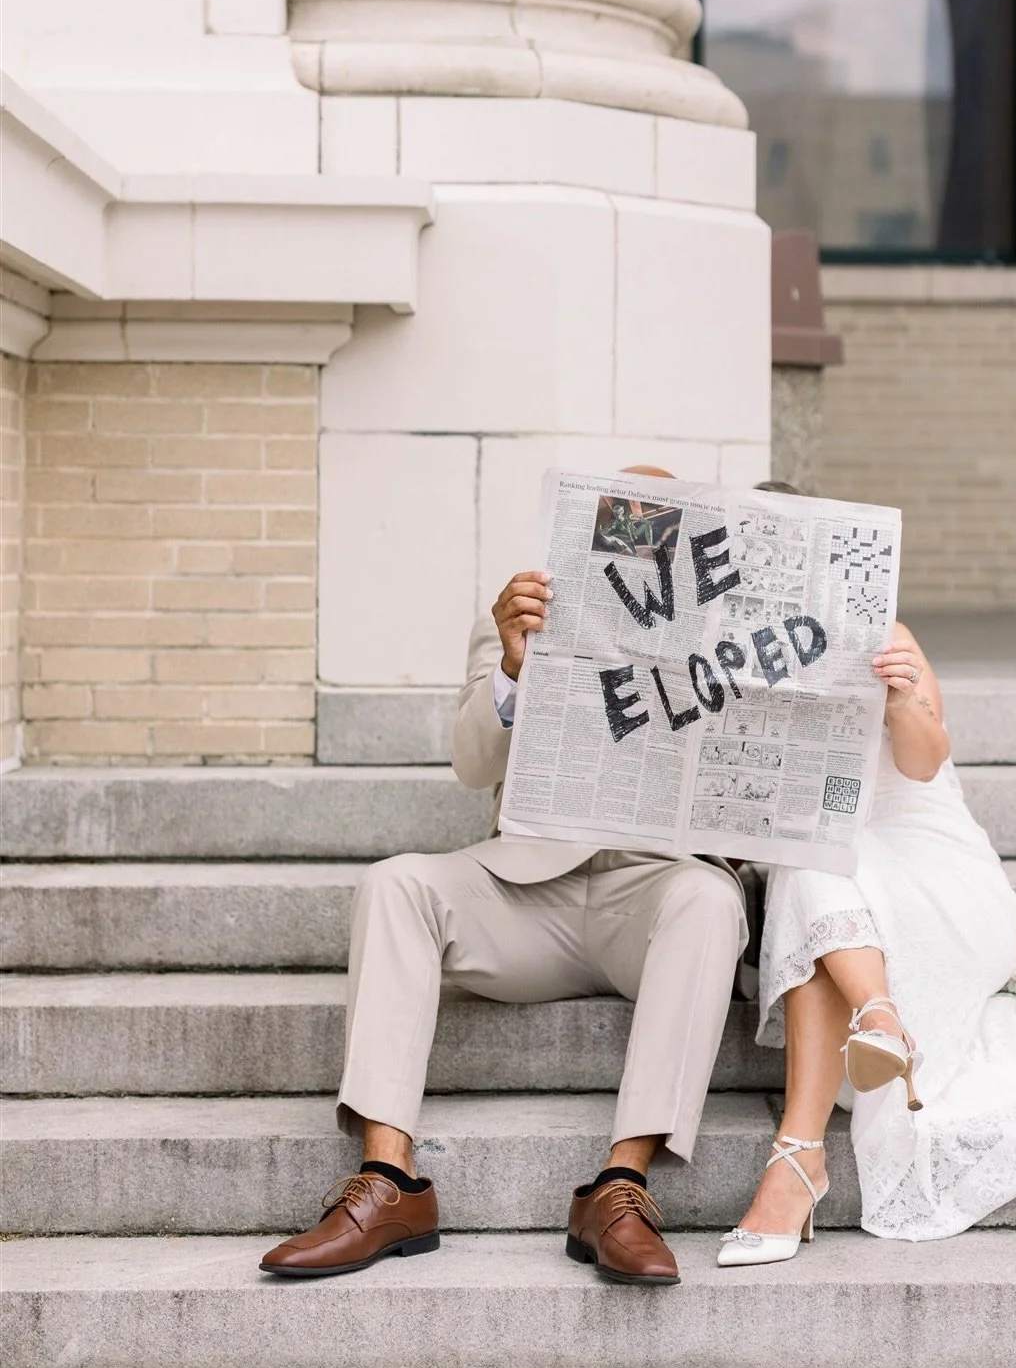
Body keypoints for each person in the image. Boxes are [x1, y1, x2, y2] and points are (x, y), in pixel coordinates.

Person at [261, 466, 747, 1287]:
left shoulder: (728, 630)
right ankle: (388, 1184)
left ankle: (619, 1191)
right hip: (528, 894)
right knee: (395, 882)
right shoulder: (521, 613)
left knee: (709, 896)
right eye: (623, 523)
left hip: (653, 903)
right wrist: (516, 670)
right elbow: (469, 761)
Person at [718, 616, 1016, 1265]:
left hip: (940, 883)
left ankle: (803, 1150)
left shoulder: (879, 632)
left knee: (814, 867)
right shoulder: (712, 664)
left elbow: (923, 762)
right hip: (837, 882)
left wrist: (897, 702)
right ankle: (877, 1023)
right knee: (810, 860)